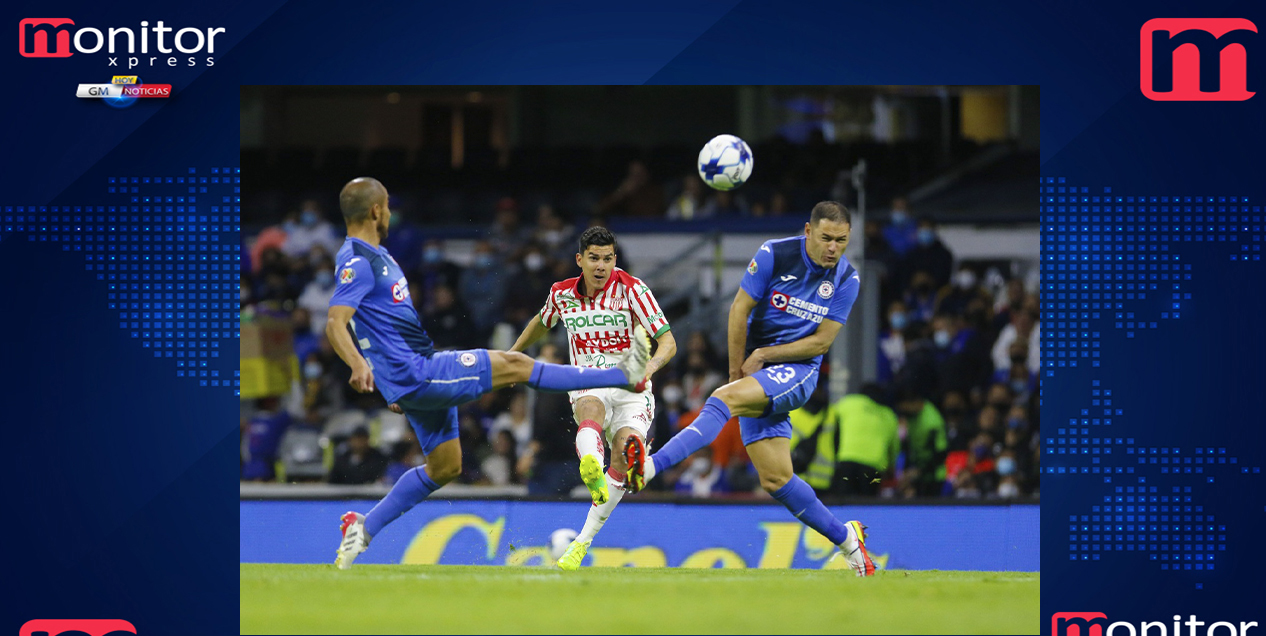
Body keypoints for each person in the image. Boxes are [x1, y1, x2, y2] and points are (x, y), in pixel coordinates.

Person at [328, 178, 651, 570]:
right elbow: (336, 321)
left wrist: (391, 384)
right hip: (418, 374)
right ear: (377, 211)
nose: (391, 212)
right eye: (388, 206)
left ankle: (362, 528)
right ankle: (623, 375)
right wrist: (362, 366)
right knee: (515, 363)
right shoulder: (359, 261)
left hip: (412, 374)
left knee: (445, 466)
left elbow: (382, 326)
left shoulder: (377, 256)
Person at [622, 201, 877, 575]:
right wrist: (735, 372)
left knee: (720, 401)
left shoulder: (846, 279)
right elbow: (739, 310)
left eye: (841, 240)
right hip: (758, 373)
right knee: (775, 479)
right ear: (808, 231)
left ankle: (648, 467)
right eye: (826, 238)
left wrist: (763, 356)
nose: (833, 248)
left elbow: (822, 342)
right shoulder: (774, 254)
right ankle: (849, 540)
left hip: (798, 371)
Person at [508, 226, 677, 570]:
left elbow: (668, 342)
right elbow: (542, 323)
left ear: (615, 259)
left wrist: (651, 368)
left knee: (625, 453)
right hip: (589, 377)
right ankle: (592, 469)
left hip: (632, 386)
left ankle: (581, 542)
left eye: (608, 258)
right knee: (590, 410)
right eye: (595, 259)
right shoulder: (561, 294)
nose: (602, 266)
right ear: (579, 260)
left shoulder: (633, 290)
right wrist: (512, 354)